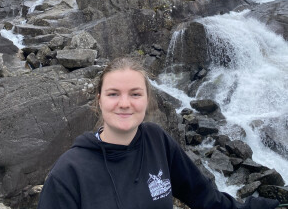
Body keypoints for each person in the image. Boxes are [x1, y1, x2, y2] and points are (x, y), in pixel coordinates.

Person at [37, 56, 280, 209]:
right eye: (113, 94)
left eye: (135, 94)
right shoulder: (68, 173)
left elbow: (204, 197)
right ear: (99, 100)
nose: (124, 103)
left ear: (147, 100)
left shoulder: (157, 140)